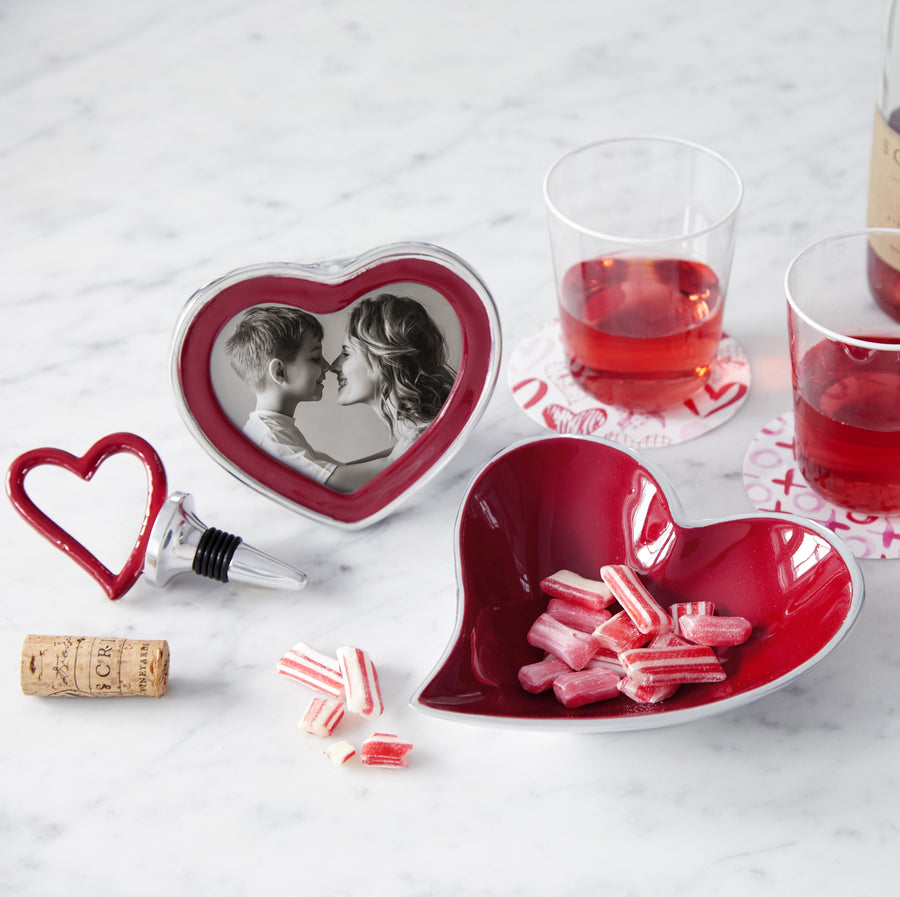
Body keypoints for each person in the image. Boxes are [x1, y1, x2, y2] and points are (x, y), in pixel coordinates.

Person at [325, 293, 457, 492]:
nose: (333, 366)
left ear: (384, 359)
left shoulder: (424, 444)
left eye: (346, 353)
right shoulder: (417, 439)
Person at [224, 305, 339, 485]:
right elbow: (337, 479)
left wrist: (388, 457)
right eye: (316, 358)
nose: (327, 366)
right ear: (279, 371)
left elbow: (342, 470)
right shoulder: (270, 439)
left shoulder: (278, 428)